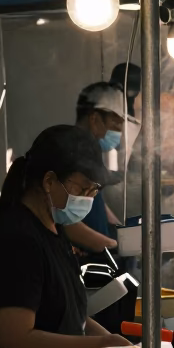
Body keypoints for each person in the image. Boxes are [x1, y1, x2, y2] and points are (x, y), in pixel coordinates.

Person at [0, 125, 130, 348]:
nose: (88, 197)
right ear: (49, 181)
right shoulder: (16, 239)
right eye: (82, 188)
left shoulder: (54, 230)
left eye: (93, 190)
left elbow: (72, 318)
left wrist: (114, 345)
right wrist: (99, 345)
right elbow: (15, 339)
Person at [67, 82, 128, 257]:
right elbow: (65, 220)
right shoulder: (71, 152)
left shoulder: (90, 153)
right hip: (84, 259)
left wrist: (122, 232)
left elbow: (95, 201)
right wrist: (111, 245)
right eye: (115, 125)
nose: (119, 132)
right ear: (94, 119)